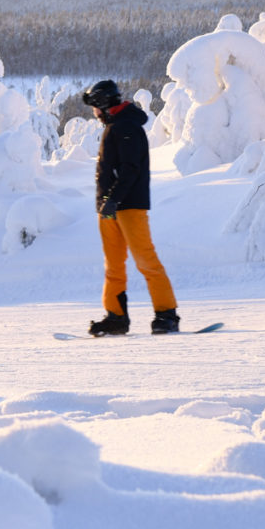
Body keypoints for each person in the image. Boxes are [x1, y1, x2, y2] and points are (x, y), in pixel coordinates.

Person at [81, 79, 179, 336]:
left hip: (128, 206)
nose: (94, 112)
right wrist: (106, 203)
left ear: (103, 104)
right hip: (109, 207)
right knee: (113, 264)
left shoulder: (126, 127)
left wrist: (113, 198)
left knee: (145, 259)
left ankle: (167, 314)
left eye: (94, 106)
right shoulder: (115, 125)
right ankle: (116, 317)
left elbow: (130, 169)